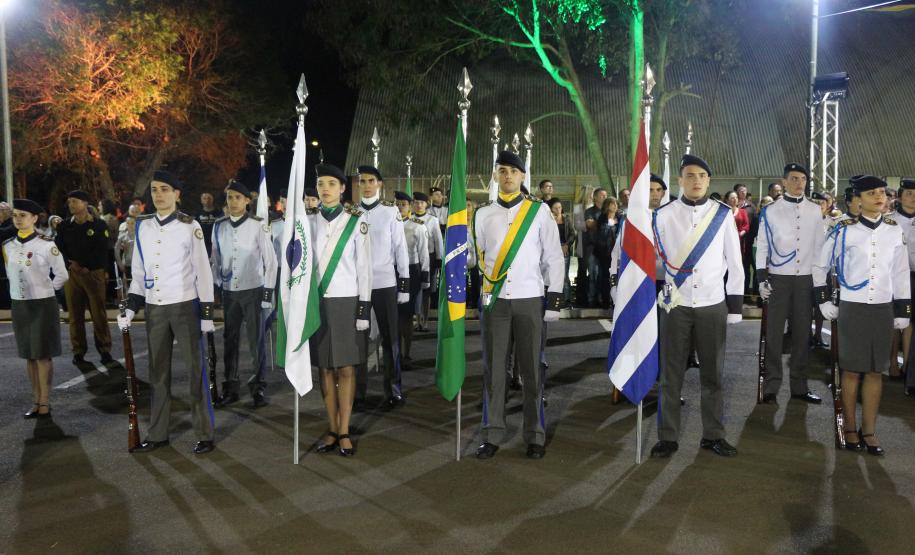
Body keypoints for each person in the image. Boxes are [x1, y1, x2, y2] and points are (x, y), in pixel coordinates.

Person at [650, 155, 744, 459]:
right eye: (690, 175)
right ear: (680, 181)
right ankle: (667, 437)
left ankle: (713, 435)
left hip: (711, 303)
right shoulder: (663, 215)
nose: (697, 181)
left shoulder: (722, 214)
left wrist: (735, 306)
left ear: (708, 180)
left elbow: (735, 262)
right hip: (675, 305)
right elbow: (653, 261)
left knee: (713, 375)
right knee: (670, 375)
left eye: (702, 175)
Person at [474, 151, 565, 460]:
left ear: (523, 176)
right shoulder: (482, 214)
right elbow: (477, 258)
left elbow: (554, 257)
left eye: (514, 171)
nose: (508, 176)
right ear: (495, 175)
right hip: (495, 300)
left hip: (529, 298)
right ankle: (492, 433)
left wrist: (554, 299)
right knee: (494, 371)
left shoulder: (538, 212)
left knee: (532, 371)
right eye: (502, 171)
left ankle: (535, 434)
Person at [119, 170, 217, 455]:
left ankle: (204, 433)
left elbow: (203, 271)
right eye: (154, 190)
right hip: (155, 308)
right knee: (157, 373)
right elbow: (139, 272)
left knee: (195, 371)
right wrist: (131, 307)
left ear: (177, 194)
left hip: (185, 305)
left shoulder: (190, 226)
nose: (159, 195)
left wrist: (207, 314)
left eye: (164, 189)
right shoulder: (143, 226)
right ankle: (158, 433)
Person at [815, 175, 910, 455]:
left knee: (875, 371)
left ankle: (869, 430)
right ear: (858, 199)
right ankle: (849, 427)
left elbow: (900, 272)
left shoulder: (893, 230)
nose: (879, 197)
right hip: (853, 306)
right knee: (852, 371)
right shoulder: (843, 229)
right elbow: (820, 266)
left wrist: (903, 309)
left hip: (881, 307)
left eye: (882, 192)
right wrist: (823, 300)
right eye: (871, 193)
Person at [308, 164, 372, 457]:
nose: (325, 189)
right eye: (321, 183)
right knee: (324, 367)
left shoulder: (356, 222)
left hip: (347, 302)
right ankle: (332, 428)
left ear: (343, 188)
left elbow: (364, 268)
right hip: (318, 302)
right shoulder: (308, 223)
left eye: (332, 183)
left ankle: (344, 430)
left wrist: (363, 309)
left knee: (346, 367)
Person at [755, 163, 824, 405]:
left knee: (802, 336)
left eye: (803, 179)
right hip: (779, 279)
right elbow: (762, 245)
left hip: (805, 279)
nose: (799, 183)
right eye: (794, 178)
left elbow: (819, 248)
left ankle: (800, 386)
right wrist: (761, 278)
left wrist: (819, 283)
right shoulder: (771, 211)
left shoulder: (815, 210)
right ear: (784, 182)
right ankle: (771, 386)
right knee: (774, 335)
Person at [210, 180, 277, 408]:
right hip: (229, 291)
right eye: (230, 197)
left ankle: (258, 387)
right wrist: (215, 285)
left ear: (247, 201)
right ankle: (231, 387)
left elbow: (271, 261)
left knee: (256, 341)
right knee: (230, 340)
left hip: (254, 290)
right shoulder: (219, 226)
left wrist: (267, 293)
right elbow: (215, 260)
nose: (233, 201)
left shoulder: (258, 225)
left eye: (238, 197)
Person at [4, 199, 68, 419]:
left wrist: (46, 289)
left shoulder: (46, 244)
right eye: (15, 215)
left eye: (23, 215)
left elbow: (62, 275)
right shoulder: (8, 245)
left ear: (34, 218)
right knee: (29, 355)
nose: (18, 219)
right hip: (20, 304)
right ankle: (35, 400)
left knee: (42, 355)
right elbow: (11, 274)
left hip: (42, 304)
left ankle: (45, 402)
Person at [354, 165, 411, 409]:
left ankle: (393, 390)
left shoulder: (390, 212)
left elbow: (400, 248)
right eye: (362, 181)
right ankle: (358, 393)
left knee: (390, 340)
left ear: (379, 184)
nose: (366, 185)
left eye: (371, 181)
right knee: (358, 342)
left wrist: (404, 284)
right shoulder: (351, 213)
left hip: (385, 282)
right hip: (358, 286)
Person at [55, 190, 113, 365]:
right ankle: (78, 351)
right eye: (69, 202)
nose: (71, 205)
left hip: (93, 274)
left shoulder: (99, 225)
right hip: (72, 274)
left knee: (98, 314)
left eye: (74, 201)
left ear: (85, 203)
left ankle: (104, 349)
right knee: (75, 315)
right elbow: (59, 249)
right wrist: (70, 265)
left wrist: (86, 266)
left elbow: (102, 250)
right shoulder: (64, 226)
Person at [394, 190, 429, 367]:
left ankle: (406, 353)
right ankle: (394, 353)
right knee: (392, 315)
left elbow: (424, 253)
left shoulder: (417, 226)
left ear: (410, 206)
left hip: (411, 272)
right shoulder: (389, 223)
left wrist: (425, 277)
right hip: (391, 272)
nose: (400, 207)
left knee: (407, 316)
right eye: (397, 204)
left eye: (404, 204)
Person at [892, 179, 915, 391]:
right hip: (894, 278)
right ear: (900, 197)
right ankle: (892, 364)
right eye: (909, 193)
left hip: (914, 277)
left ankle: (908, 367)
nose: (913, 197)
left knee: (910, 324)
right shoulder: (890, 221)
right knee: (894, 323)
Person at [412, 191, 443, 331]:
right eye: (416, 202)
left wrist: (439, 258)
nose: (419, 205)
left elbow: (438, 240)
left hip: (430, 258)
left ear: (426, 204)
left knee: (426, 291)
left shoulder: (432, 220)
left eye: (422, 203)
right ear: (413, 204)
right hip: (414, 259)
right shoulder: (410, 219)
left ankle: (425, 321)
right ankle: (417, 320)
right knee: (415, 291)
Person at [584, 187, 607, 307]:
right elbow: (590, 224)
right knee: (593, 274)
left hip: (606, 249)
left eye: (606, 195)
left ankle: (602, 299)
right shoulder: (590, 211)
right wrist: (604, 222)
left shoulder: (608, 211)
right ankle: (591, 299)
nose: (605, 197)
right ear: (595, 197)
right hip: (593, 248)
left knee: (604, 275)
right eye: (602, 195)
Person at [548, 198, 574, 304]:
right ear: (551, 209)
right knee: (552, 275)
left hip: (564, 248)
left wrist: (567, 245)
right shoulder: (548, 220)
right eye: (555, 208)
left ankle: (567, 299)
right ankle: (553, 299)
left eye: (559, 207)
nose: (558, 210)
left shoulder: (566, 219)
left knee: (564, 275)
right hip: (552, 250)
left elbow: (573, 234)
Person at [596, 196, 620, 308]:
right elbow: (602, 234)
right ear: (607, 206)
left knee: (617, 276)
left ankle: (616, 300)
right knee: (605, 276)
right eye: (612, 203)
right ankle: (605, 300)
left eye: (616, 203)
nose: (615, 206)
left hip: (618, 252)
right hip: (604, 252)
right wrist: (610, 223)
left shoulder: (620, 217)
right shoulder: (602, 218)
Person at [115, 204, 141, 280]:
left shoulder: (144, 225)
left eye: (136, 212)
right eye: (132, 211)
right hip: (127, 258)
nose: (134, 213)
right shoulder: (123, 225)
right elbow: (119, 245)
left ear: (140, 213)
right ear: (129, 212)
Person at [195, 192, 223, 257]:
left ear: (212, 199)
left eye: (209, 198)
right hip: (202, 244)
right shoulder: (197, 214)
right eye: (204, 198)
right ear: (201, 200)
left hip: (216, 243)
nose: (207, 200)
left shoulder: (219, 213)